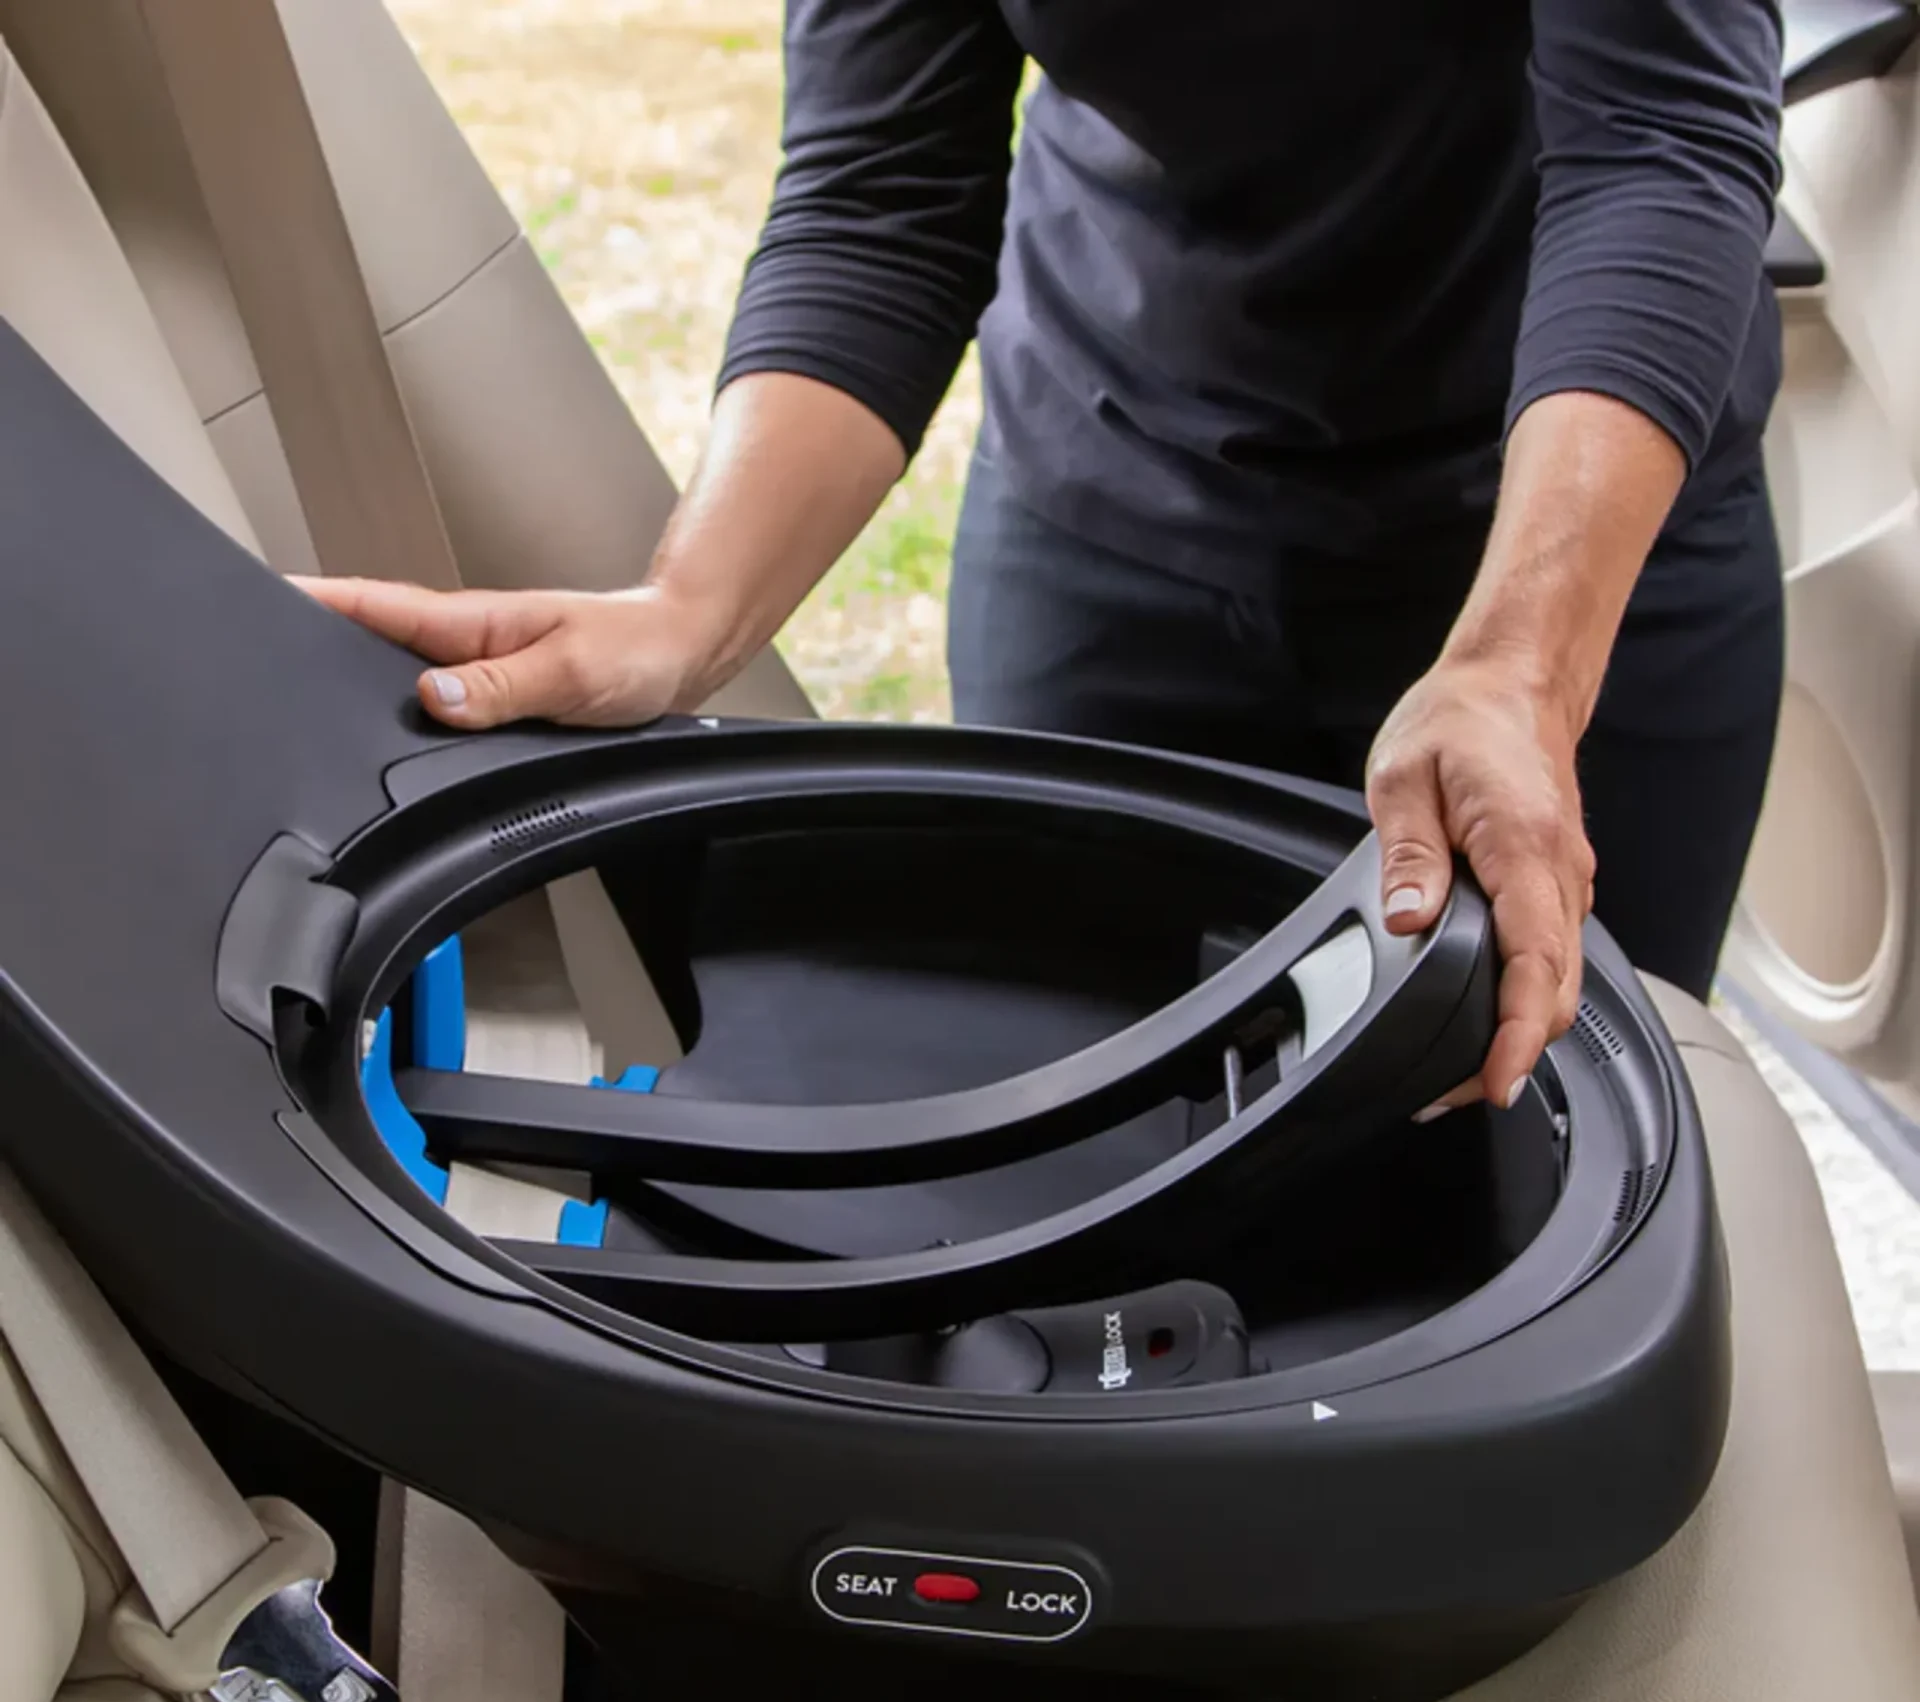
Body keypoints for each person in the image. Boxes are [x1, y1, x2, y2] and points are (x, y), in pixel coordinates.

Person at [300, 0, 1786, 1109]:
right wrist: (689, 606)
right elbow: (888, 189)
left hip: (1562, 557)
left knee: (1544, 1155)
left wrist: (1519, 666)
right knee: (1092, 1152)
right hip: (1113, 530)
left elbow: (1659, 147)